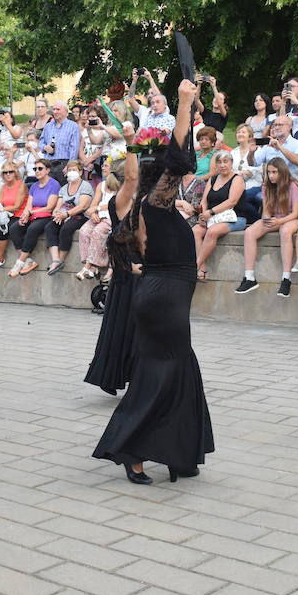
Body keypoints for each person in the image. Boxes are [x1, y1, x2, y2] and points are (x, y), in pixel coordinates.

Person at [94, 78, 213, 483]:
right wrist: (183, 102)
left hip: (163, 293)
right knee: (164, 371)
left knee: (175, 368)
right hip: (164, 297)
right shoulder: (153, 202)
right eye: (164, 170)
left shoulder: (152, 206)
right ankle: (133, 449)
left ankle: (178, 452)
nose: (172, 173)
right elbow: (180, 155)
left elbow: (179, 155)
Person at [85, 132, 141, 395]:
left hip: (135, 268)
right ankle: (121, 375)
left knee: (130, 327)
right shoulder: (120, 201)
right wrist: (131, 143)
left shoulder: (137, 201)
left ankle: (130, 376)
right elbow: (131, 177)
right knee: (126, 328)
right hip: (128, 271)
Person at [235, 157, 298, 297]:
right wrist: (266, 219)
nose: (271, 175)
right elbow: (267, 209)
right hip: (274, 218)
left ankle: (286, 279)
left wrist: (279, 222)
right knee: (250, 232)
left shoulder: (293, 185)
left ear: (282, 172)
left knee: (286, 231)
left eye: (275, 172)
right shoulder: (266, 185)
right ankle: (250, 277)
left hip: (290, 218)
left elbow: (296, 213)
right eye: (269, 172)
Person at [193, 151, 246, 279]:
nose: (222, 165)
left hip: (235, 217)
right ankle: (203, 267)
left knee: (212, 232)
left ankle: (195, 266)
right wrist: (203, 215)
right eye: (219, 162)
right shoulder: (213, 178)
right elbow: (204, 200)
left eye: (225, 161)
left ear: (231, 163)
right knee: (195, 230)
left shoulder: (237, 179)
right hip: (213, 218)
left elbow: (232, 201)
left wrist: (210, 212)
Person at [8, 161, 59, 277]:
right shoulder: (34, 186)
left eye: (40, 168)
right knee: (14, 228)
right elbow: (28, 205)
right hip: (33, 215)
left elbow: (49, 207)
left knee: (32, 229)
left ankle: (19, 263)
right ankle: (28, 261)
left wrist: (30, 212)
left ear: (48, 170)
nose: (37, 171)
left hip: (46, 216)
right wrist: (25, 214)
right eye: (35, 169)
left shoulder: (54, 184)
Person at [47, 160, 93, 273]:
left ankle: (61, 259)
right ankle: (55, 260)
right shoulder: (64, 188)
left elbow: (82, 206)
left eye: (74, 170)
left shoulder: (85, 186)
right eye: (69, 170)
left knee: (66, 228)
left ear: (81, 172)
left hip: (80, 215)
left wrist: (66, 214)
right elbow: (58, 205)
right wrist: (57, 213)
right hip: (64, 214)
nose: (71, 172)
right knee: (50, 226)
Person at [77, 173, 120, 281]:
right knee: (84, 231)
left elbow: (116, 204)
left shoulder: (121, 185)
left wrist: (98, 208)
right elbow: (93, 204)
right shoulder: (101, 185)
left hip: (111, 216)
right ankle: (92, 267)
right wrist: (93, 214)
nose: (102, 168)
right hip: (98, 214)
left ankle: (88, 266)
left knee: (97, 232)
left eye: (106, 166)